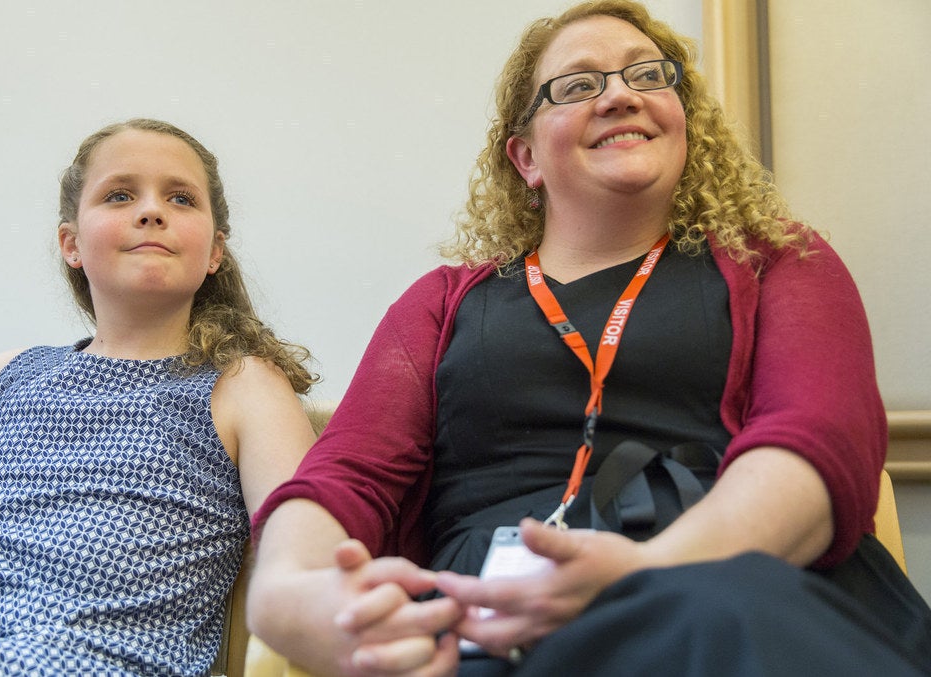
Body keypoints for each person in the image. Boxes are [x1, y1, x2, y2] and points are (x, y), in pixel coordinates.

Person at [245, 2, 931, 676]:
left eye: (647, 76)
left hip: (734, 578)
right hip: (496, 615)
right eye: (578, 85)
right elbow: (345, 475)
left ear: (683, 123)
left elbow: (815, 442)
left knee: (726, 612)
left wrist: (648, 569)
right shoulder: (441, 303)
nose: (621, 97)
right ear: (526, 157)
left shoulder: (777, 261)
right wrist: (286, 596)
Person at [0, 118, 318, 676]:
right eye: (120, 195)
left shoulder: (244, 385)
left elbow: (303, 543)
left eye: (181, 198)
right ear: (71, 243)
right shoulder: (14, 375)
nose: (152, 211)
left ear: (215, 251)